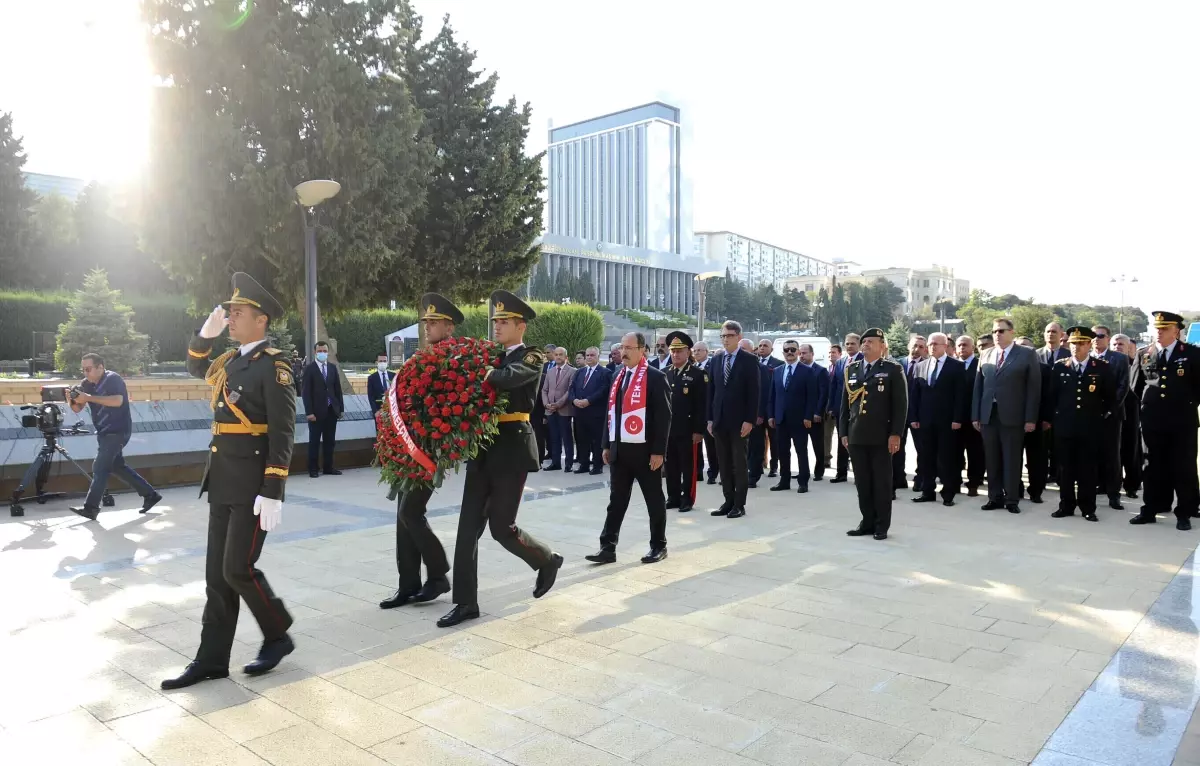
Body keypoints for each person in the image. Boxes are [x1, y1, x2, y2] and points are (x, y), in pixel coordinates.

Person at [162, 272, 297, 689]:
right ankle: (212, 659)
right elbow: (194, 365)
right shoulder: (233, 361)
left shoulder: (274, 366)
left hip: (254, 485)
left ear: (262, 319)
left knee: (238, 568)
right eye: (230, 312)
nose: (231, 318)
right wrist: (204, 336)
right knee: (217, 577)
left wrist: (273, 490)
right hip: (222, 479)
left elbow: (283, 432)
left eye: (238, 313)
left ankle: (277, 633)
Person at [438, 291, 563, 627]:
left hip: (512, 449)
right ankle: (466, 603)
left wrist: (481, 373)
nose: (497, 327)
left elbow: (512, 378)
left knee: (501, 528)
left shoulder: (532, 356)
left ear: (520, 326)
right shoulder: (489, 355)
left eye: (504, 322)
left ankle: (546, 560)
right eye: (495, 321)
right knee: (467, 531)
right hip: (483, 448)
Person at [378, 294, 459, 610]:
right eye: (425, 321)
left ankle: (438, 575)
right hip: (406, 446)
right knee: (403, 518)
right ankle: (408, 584)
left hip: (428, 448)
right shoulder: (423, 357)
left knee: (410, 512)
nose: (427, 327)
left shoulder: (453, 359)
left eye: (434, 322)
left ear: (448, 326)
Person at [586, 332, 672, 564]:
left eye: (629, 348)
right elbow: (610, 412)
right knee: (616, 501)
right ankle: (607, 547)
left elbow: (664, 417)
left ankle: (658, 546)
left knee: (654, 500)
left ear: (642, 350)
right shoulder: (618, 375)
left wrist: (658, 451)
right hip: (620, 450)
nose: (623, 352)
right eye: (622, 347)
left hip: (645, 452)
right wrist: (606, 444)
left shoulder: (655, 377)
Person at [67, 353, 161, 519]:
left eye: (88, 369)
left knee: (100, 467)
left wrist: (88, 397)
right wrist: (71, 399)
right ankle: (150, 495)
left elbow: (118, 401)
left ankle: (91, 508)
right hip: (103, 432)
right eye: (83, 370)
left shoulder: (113, 379)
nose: (85, 373)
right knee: (117, 466)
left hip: (118, 431)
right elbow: (77, 409)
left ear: (100, 367)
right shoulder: (86, 384)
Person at [1130, 311, 1200, 530]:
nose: (1158, 332)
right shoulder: (1145, 354)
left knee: (1183, 467)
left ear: (1176, 331)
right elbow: (1136, 386)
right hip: (1153, 421)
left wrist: (1186, 405)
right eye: (1157, 328)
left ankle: (1184, 513)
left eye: (1164, 329)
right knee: (1152, 466)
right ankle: (1151, 508)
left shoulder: (1191, 353)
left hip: (1182, 422)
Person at [840, 328, 908, 540]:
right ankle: (866, 521)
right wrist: (843, 432)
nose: (866, 344)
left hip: (881, 436)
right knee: (863, 482)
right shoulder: (851, 369)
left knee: (881, 483)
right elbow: (844, 405)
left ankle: (881, 525)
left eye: (871, 341)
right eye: (864, 341)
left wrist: (896, 434)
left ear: (882, 346)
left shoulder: (892, 369)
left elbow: (900, 405)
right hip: (856, 435)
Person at [971, 317, 1041, 514]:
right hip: (988, 416)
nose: (997, 335)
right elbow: (979, 387)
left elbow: (1033, 389)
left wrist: (1030, 418)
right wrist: (976, 415)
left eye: (1001, 331)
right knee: (991, 459)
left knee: (1011, 458)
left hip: (1013, 416)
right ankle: (995, 497)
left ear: (1012, 332)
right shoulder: (985, 354)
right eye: (994, 331)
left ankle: (1011, 499)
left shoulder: (1026, 354)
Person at [1046, 327, 1115, 522]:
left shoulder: (1101, 367)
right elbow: (1052, 397)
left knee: (1087, 469)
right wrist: (1052, 420)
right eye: (1073, 343)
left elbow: (1110, 397)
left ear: (1089, 344)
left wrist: (1102, 418)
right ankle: (1066, 505)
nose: (1076, 347)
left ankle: (1088, 507)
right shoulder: (1060, 366)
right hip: (1065, 427)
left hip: (1089, 427)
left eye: (1081, 343)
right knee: (1065, 469)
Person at [708, 321, 759, 519]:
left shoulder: (748, 360)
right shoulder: (717, 359)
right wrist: (710, 419)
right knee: (724, 463)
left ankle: (739, 504)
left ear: (738, 337)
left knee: (739, 463)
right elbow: (711, 392)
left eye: (729, 336)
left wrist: (750, 420)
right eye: (723, 336)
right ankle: (727, 500)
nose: (725, 339)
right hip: (720, 420)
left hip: (739, 422)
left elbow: (754, 392)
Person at [908, 333, 966, 506]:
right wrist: (914, 417)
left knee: (946, 458)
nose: (932, 347)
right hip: (925, 421)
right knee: (926, 457)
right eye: (930, 344)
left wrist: (957, 418)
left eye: (936, 344)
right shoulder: (921, 366)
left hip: (947, 421)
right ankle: (927, 491)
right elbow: (915, 395)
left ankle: (948, 493)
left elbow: (960, 395)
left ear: (945, 345)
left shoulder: (956, 366)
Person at [661, 332, 706, 512]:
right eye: (673, 351)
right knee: (670, 465)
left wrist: (699, 430)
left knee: (688, 466)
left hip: (688, 429)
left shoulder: (697, 375)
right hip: (668, 429)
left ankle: (687, 498)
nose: (675, 354)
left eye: (679, 351)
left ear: (688, 352)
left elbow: (701, 405)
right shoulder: (665, 373)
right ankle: (673, 496)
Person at [767, 340, 820, 493]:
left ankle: (803, 482)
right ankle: (784, 481)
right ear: (782, 352)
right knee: (782, 451)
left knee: (801, 451)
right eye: (786, 350)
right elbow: (773, 395)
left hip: (800, 419)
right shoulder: (777, 371)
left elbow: (812, 396)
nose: (789, 352)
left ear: (798, 352)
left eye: (792, 349)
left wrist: (808, 416)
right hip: (780, 419)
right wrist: (771, 415)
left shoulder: (807, 371)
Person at [1091, 325, 1131, 510]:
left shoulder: (1119, 358)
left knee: (1112, 455)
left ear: (1107, 338)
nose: (1096, 339)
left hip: (1111, 415)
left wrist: (1109, 409)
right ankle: (1093, 488)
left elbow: (1123, 386)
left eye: (1100, 336)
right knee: (1090, 454)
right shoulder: (1086, 358)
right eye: (1093, 336)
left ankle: (1114, 494)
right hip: (1088, 415)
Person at [301, 340, 345, 478]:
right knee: (314, 441)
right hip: (316, 412)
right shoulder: (309, 369)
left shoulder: (332, 368)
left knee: (330, 441)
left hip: (332, 410)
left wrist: (340, 409)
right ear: (315, 352)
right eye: (320, 351)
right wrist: (309, 412)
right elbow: (305, 392)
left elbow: (337, 389)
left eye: (324, 351)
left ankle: (328, 467)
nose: (322, 353)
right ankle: (313, 469)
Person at [568, 346, 611, 475]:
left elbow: (603, 390)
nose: (589, 358)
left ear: (598, 356)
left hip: (595, 413)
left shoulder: (605, 372)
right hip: (580, 413)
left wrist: (589, 401)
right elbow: (572, 388)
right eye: (587, 355)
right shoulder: (579, 372)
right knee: (582, 440)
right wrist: (574, 400)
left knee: (596, 441)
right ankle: (584, 464)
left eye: (592, 355)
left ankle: (597, 466)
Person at [1112, 333, 1145, 499]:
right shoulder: (1105, 365)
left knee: (1130, 450)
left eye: (1121, 345)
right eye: (1115, 344)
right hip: (1112, 414)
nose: (1117, 347)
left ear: (1128, 348)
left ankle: (1132, 485)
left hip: (1131, 414)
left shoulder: (1134, 364)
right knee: (1112, 452)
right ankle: (1111, 484)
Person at [748, 338, 783, 487]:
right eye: (760, 346)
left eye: (765, 346)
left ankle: (774, 465)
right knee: (757, 442)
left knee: (774, 440)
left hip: (770, 410)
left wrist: (765, 412)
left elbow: (769, 391)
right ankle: (758, 467)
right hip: (756, 413)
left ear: (771, 349)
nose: (762, 348)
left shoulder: (777, 364)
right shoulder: (753, 363)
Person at [827, 333, 860, 483]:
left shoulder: (863, 361)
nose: (849, 346)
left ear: (858, 345)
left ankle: (860, 474)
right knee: (842, 439)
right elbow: (834, 386)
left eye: (852, 343)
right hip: (841, 409)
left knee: (856, 442)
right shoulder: (840, 362)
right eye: (847, 344)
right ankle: (841, 473)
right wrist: (831, 407)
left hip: (858, 410)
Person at [956, 335, 984, 496]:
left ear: (972, 347)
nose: (962, 348)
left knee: (975, 452)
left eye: (965, 345)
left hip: (974, 418)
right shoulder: (952, 365)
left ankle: (974, 483)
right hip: (956, 418)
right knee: (955, 452)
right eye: (959, 345)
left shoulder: (980, 364)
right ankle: (955, 481)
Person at [540, 347, 576, 471]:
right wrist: (546, 404)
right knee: (554, 438)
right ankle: (555, 463)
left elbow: (570, 390)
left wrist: (558, 404)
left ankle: (568, 463)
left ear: (566, 357)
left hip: (564, 409)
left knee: (566, 438)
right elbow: (544, 390)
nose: (558, 357)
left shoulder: (572, 371)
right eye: (556, 354)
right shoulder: (549, 372)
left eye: (561, 355)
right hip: (550, 409)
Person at [798, 344, 830, 481]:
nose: (802, 356)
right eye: (800, 353)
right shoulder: (798, 371)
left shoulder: (821, 371)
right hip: (800, 415)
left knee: (818, 444)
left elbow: (824, 394)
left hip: (815, 416)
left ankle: (819, 471)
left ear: (812, 354)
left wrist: (818, 412)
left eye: (804, 353)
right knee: (801, 446)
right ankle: (802, 471)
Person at [693, 341, 720, 484]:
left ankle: (713, 473)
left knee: (711, 446)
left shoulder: (712, 367)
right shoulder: (692, 368)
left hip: (709, 411)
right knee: (696, 444)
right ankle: (698, 472)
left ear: (706, 351)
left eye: (699, 350)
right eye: (695, 350)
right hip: (696, 413)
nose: (696, 353)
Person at [822, 344, 843, 471]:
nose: (831, 355)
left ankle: (848, 460)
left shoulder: (843, 367)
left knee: (843, 436)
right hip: (828, 408)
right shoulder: (827, 369)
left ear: (840, 354)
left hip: (840, 408)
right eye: (829, 353)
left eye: (834, 352)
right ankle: (826, 459)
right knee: (826, 435)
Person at [367, 352, 393, 416]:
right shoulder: (372, 378)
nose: (383, 363)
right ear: (376, 363)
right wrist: (375, 411)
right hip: (379, 411)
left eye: (384, 361)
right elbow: (371, 396)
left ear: (387, 362)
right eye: (380, 361)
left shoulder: (393, 376)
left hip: (392, 410)